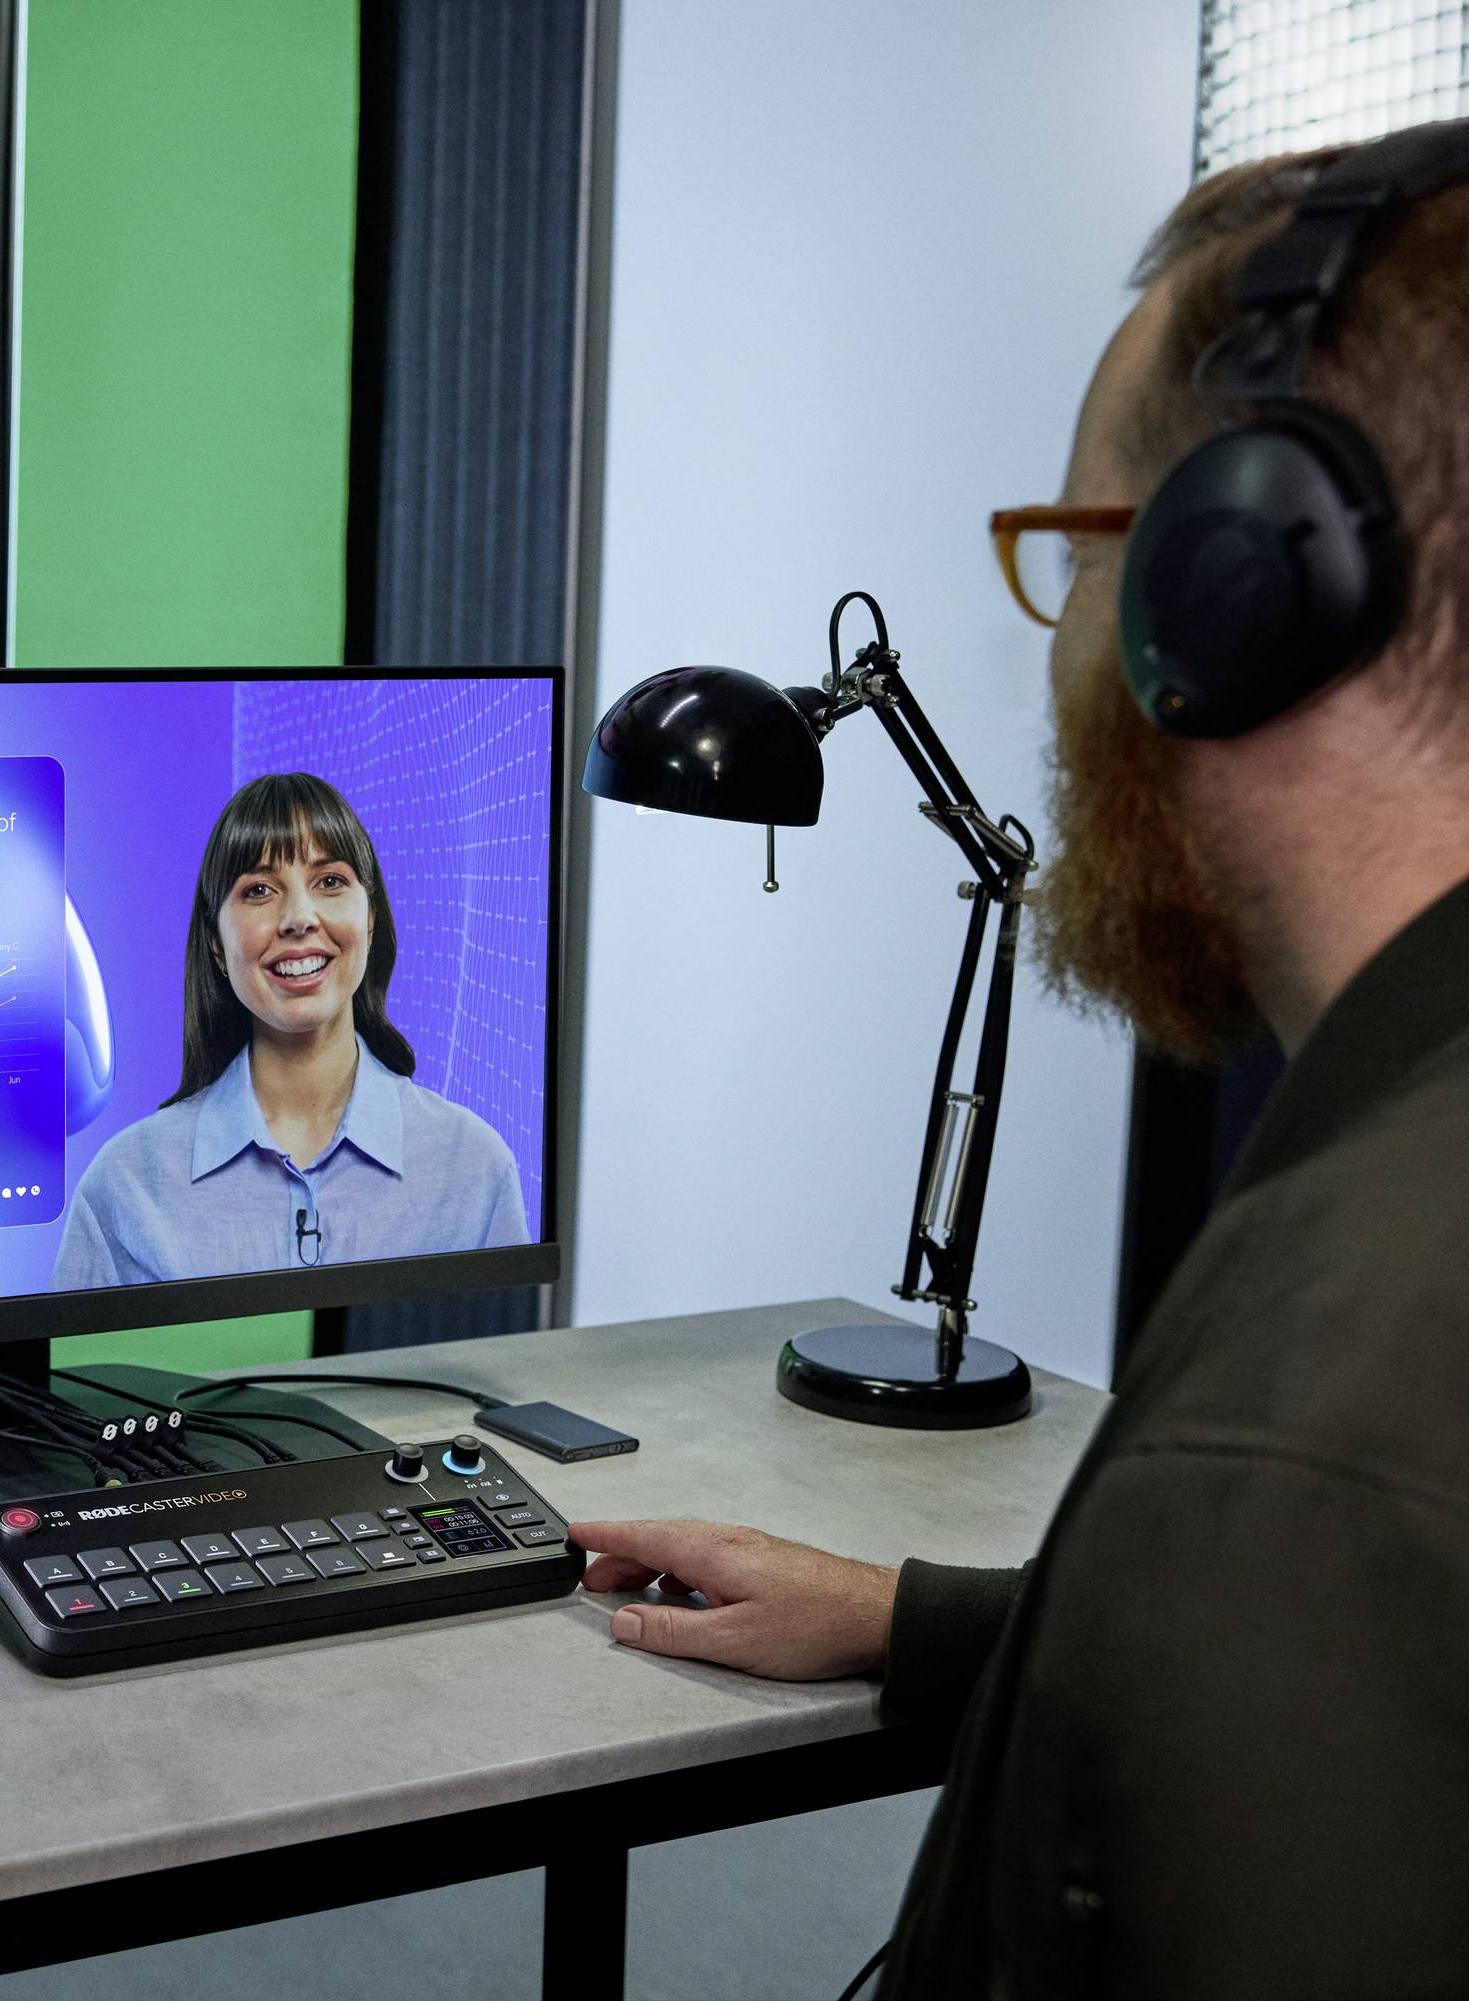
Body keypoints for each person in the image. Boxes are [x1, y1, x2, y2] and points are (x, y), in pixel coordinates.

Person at [567, 134, 1469, 1998]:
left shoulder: (1317, 1405)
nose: (1063, 651)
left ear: (1237, 593)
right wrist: (916, 1618)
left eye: (1077, 560)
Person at [53, 772, 525, 1287]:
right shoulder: (125, 1184)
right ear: (216, 941)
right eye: (259, 890)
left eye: (330, 882)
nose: (299, 918)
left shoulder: (474, 1166)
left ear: (370, 919)